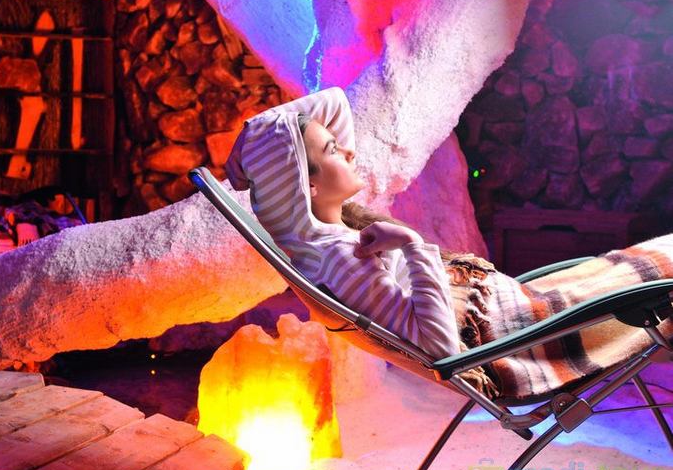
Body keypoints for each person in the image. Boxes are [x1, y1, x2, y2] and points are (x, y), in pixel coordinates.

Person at [225, 87, 673, 400]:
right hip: (518, 335)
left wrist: (254, 137)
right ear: (308, 187)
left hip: (519, 308)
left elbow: (335, 101)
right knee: (663, 276)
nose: (348, 150)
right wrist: (412, 245)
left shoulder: (326, 240)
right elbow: (442, 351)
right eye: (331, 151)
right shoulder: (345, 257)